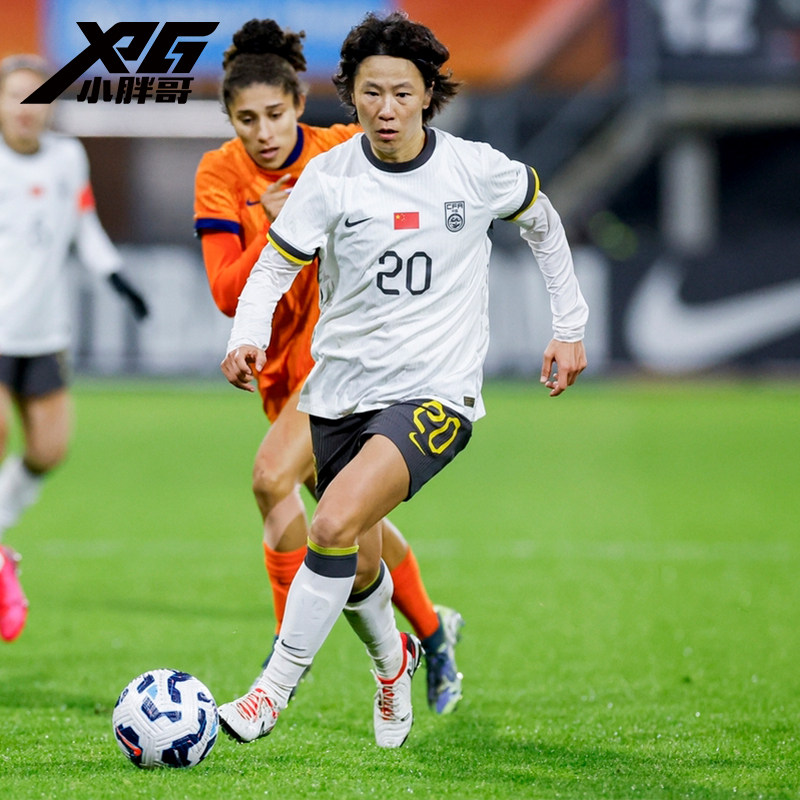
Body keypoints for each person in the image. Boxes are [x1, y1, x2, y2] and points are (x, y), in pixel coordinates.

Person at [219, 11, 588, 748]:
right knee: (357, 559)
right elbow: (274, 268)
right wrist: (246, 335)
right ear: (351, 96)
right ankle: (395, 661)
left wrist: (570, 326)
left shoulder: (474, 169)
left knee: (330, 524)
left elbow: (542, 221)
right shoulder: (330, 178)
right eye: (371, 93)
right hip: (339, 393)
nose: (386, 109)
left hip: (436, 395)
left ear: (427, 96)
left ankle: (271, 691)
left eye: (402, 93)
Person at [193, 19, 464, 714]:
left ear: (298, 105)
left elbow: (420, 180)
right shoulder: (220, 174)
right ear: (230, 120)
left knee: (269, 477)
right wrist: (272, 227)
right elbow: (227, 292)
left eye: (275, 114)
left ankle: (285, 653)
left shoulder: (339, 151)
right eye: (246, 119)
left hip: (342, 363)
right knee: (358, 537)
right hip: (278, 375)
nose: (263, 132)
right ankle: (434, 634)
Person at [0, 55, 149, 642]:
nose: (25, 109)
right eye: (15, 96)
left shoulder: (68, 158)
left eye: (36, 97)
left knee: (48, 450)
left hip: (45, 334)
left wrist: (115, 276)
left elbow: (83, 227)